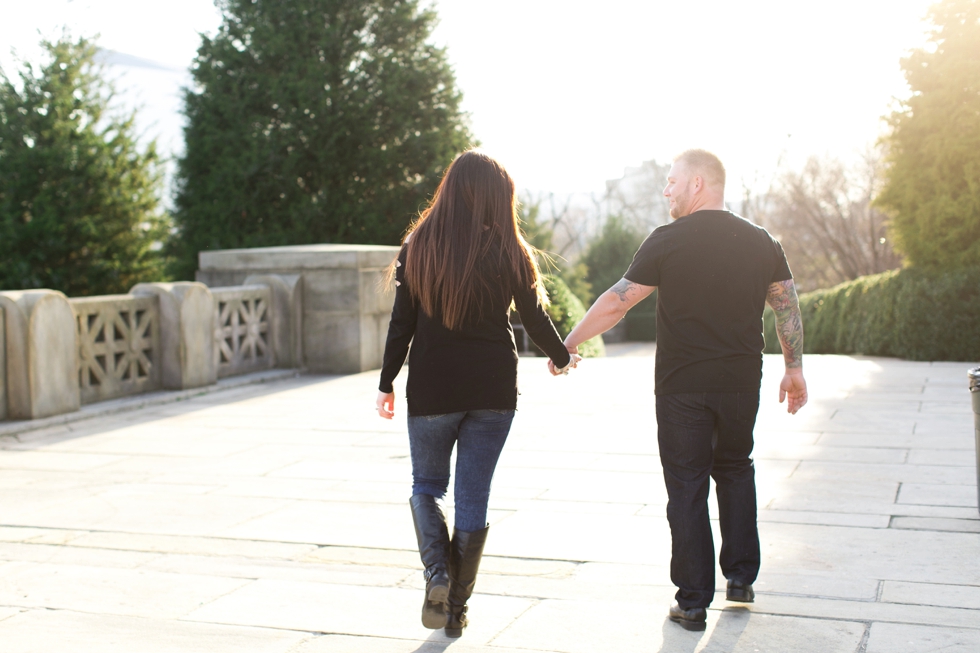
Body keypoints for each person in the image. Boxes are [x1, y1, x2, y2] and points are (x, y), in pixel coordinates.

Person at [560, 149, 808, 632]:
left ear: (698, 184)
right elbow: (786, 306)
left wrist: (568, 342)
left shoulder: (667, 240)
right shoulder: (761, 241)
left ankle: (693, 602)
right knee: (735, 468)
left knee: (687, 486)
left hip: (682, 388)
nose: (666, 190)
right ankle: (740, 579)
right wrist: (793, 367)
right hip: (740, 383)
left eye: (672, 182)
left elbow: (618, 301)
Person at [376, 150, 580, 637]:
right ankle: (457, 612)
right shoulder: (510, 248)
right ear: (496, 198)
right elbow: (534, 318)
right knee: (473, 498)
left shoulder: (418, 246)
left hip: (431, 390)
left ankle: (437, 574)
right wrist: (562, 356)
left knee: (427, 487)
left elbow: (401, 324)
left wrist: (386, 382)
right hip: (492, 390)